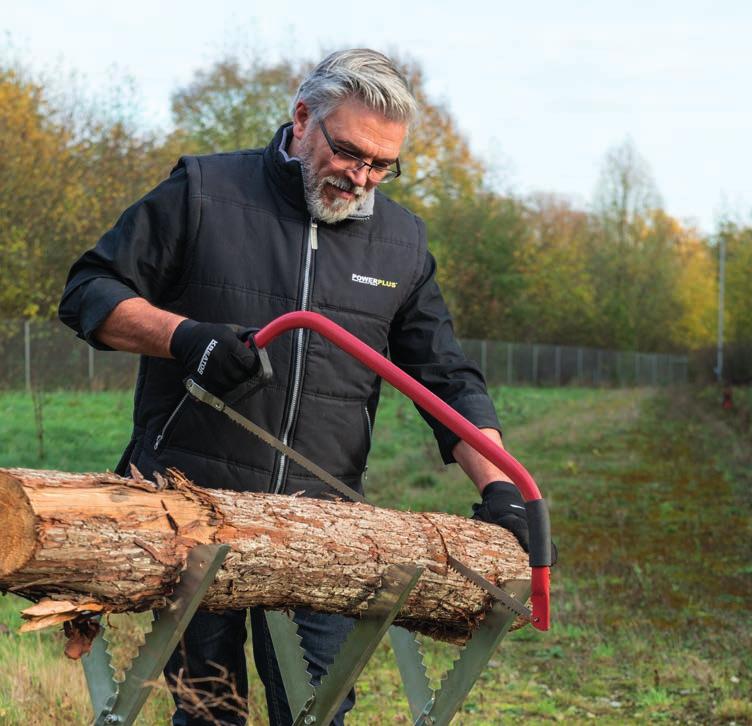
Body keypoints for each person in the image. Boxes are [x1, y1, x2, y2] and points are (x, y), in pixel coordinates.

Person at [59, 48, 536, 726]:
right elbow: (89, 293)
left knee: (317, 713)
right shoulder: (203, 191)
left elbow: (445, 377)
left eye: (382, 164)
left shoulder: (401, 242)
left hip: (324, 525)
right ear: (303, 116)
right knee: (208, 714)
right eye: (349, 152)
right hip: (192, 512)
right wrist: (185, 337)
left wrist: (502, 487)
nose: (361, 177)